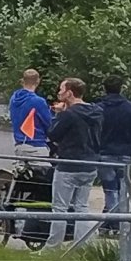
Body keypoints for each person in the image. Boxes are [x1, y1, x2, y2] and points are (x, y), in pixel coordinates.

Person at [48, 77, 103, 243]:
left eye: (61, 90)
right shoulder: (97, 112)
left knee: (60, 208)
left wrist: (58, 115)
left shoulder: (69, 115)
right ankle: (82, 244)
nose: (58, 93)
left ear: (69, 93)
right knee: (82, 207)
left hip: (68, 164)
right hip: (90, 164)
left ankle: (53, 247)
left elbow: (52, 134)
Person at [93, 76, 131, 224]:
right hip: (125, 152)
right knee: (123, 189)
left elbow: (94, 131)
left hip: (104, 152)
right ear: (121, 87)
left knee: (110, 189)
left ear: (104, 88)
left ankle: (113, 221)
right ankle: (120, 220)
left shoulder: (98, 108)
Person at [7, 68, 52, 157]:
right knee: (45, 170)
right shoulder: (38, 101)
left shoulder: (13, 99)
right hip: (36, 145)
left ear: (23, 81)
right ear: (38, 81)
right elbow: (49, 124)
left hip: (19, 144)